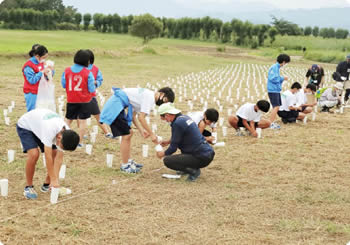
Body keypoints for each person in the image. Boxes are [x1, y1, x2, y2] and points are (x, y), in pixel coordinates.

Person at [100, 87, 175, 173]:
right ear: (162, 94)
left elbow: (133, 116)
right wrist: (152, 135)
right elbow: (141, 118)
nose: (163, 103)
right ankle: (125, 165)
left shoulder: (148, 96)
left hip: (117, 104)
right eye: (165, 100)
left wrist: (141, 130)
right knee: (127, 134)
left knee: (129, 133)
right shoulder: (150, 97)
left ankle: (128, 161)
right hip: (115, 105)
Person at [16, 108, 80, 200]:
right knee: (34, 154)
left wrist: (55, 180)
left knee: (55, 152)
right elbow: (47, 156)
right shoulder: (50, 129)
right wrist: (54, 179)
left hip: (39, 125)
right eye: (61, 146)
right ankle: (28, 187)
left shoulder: (67, 133)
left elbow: (59, 158)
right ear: (59, 137)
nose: (60, 147)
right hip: (26, 126)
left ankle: (47, 184)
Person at [156, 103, 215, 182]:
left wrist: (163, 154)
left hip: (201, 156)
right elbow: (180, 136)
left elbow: (173, 148)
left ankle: (193, 171)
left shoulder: (177, 123)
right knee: (180, 157)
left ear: (167, 115)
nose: (165, 120)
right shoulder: (184, 118)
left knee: (167, 160)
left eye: (163, 117)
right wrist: (167, 142)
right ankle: (187, 168)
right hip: (207, 153)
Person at [61, 49, 96, 147]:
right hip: (84, 101)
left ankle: (62, 138)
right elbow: (91, 89)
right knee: (82, 121)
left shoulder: (67, 70)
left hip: (71, 99)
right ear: (86, 61)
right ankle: (80, 142)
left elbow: (64, 84)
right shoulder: (88, 73)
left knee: (68, 120)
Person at [85, 49, 112, 138]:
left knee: (98, 115)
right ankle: (84, 134)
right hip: (80, 97)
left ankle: (106, 132)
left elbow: (100, 80)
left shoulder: (95, 69)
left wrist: (96, 83)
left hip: (91, 96)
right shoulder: (80, 68)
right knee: (81, 117)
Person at [22, 44, 54, 112]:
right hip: (32, 93)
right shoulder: (28, 66)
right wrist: (42, 72)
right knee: (32, 112)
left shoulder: (42, 63)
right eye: (43, 57)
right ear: (37, 56)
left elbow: (47, 78)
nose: (44, 59)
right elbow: (32, 80)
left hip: (41, 92)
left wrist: (50, 71)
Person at [267, 53, 290, 129]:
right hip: (273, 90)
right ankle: (270, 123)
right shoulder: (274, 67)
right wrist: (283, 78)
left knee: (276, 106)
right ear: (283, 62)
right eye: (286, 63)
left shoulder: (276, 67)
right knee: (276, 107)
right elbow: (273, 78)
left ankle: (271, 122)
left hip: (275, 90)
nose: (285, 64)